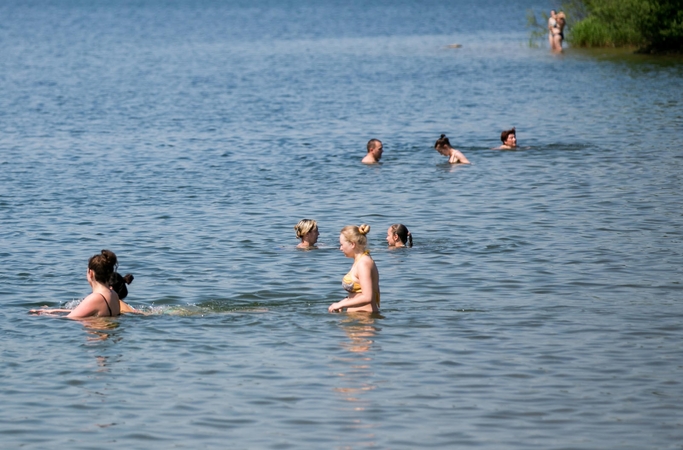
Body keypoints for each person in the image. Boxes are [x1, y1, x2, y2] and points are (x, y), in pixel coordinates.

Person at [30, 250, 121, 318]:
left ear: (91, 273)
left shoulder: (95, 298)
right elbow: (84, 311)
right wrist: (51, 311)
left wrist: (43, 315)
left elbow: (68, 319)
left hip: (97, 339)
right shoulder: (114, 295)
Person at [329, 224, 380, 313]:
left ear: (352, 244)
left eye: (342, 245)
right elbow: (357, 294)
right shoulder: (359, 261)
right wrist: (345, 301)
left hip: (365, 320)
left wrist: (341, 305)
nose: (340, 248)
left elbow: (367, 297)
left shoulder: (363, 264)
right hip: (356, 319)